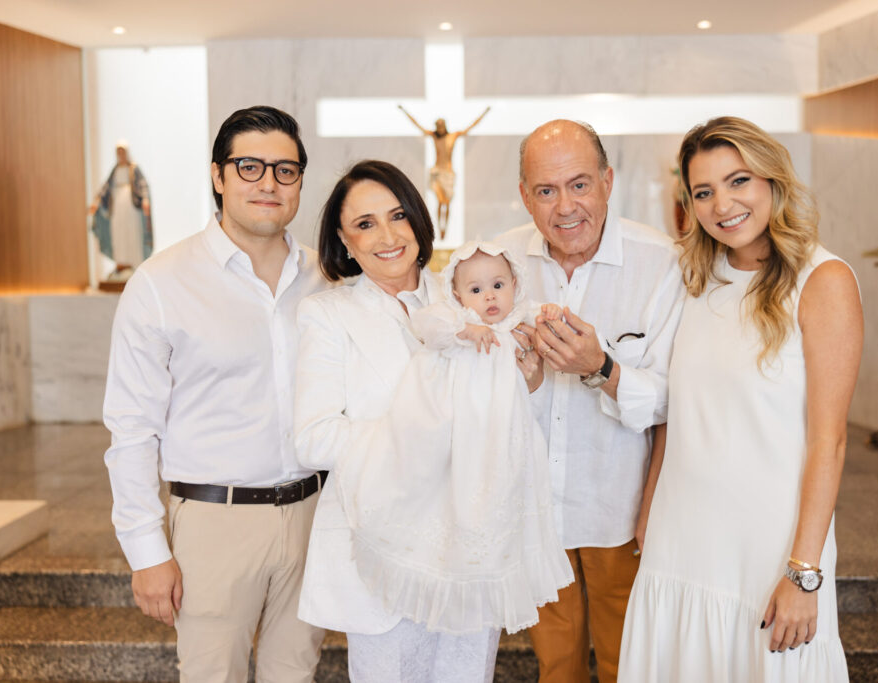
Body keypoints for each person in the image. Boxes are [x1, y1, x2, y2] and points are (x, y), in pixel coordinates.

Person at [618, 116, 862, 682]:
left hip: (769, 543)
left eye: (738, 181)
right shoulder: (694, 278)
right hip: (682, 536)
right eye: (703, 192)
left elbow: (829, 441)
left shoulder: (823, 280)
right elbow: (678, 413)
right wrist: (650, 509)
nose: (722, 205)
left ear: (773, 180)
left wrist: (804, 572)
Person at [102, 106, 330, 682]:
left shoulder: (326, 277)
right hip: (215, 521)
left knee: (295, 673)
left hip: (315, 515)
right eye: (250, 166)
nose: (268, 183)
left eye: (285, 170)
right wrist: (146, 551)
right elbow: (132, 428)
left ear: (300, 181)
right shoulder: (161, 283)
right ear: (218, 176)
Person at [294, 161, 545, 682]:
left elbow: (503, 409)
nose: (387, 236)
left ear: (418, 219)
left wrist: (527, 380)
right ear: (345, 240)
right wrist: (419, 438)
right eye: (365, 224)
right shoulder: (328, 315)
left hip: (470, 544)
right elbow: (314, 439)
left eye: (398, 215)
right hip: (381, 549)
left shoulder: (471, 293)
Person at [495, 119, 687, 682]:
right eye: (546, 190)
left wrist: (601, 368)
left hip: (620, 510)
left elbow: (678, 399)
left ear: (607, 181)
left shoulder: (662, 265)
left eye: (579, 185)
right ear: (525, 195)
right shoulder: (497, 263)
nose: (565, 207)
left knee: (632, 664)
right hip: (532, 512)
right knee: (557, 668)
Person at [335, 240, 574, 636]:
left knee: (497, 497)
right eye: (476, 290)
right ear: (458, 295)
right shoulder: (453, 318)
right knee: (450, 494)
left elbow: (545, 315)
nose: (489, 297)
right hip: (456, 429)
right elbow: (426, 325)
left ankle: (481, 565)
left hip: (501, 433)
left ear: (515, 284)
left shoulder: (517, 320)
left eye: (498, 285)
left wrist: (549, 313)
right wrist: (465, 328)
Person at [397, 104, 490, 238]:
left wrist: (484, 113)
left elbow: (471, 126)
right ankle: (439, 228)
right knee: (440, 202)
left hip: (448, 173)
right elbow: (417, 125)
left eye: (441, 125)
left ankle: (444, 227)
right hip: (437, 172)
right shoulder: (434, 137)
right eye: (438, 126)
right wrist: (404, 111)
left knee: (447, 203)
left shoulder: (453, 136)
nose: (440, 128)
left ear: (445, 126)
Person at [89, 142, 153, 272]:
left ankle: (134, 262)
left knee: (132, 230)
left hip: (132, 206)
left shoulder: (133, 169)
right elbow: (106, 187)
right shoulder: (115, 170)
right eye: (118, 152)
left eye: (122, 152)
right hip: (117, 206)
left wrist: (145, 200)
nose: (121, 155)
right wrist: (96, 202)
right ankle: (122, 262)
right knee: (118, 231)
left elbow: (143, 185)